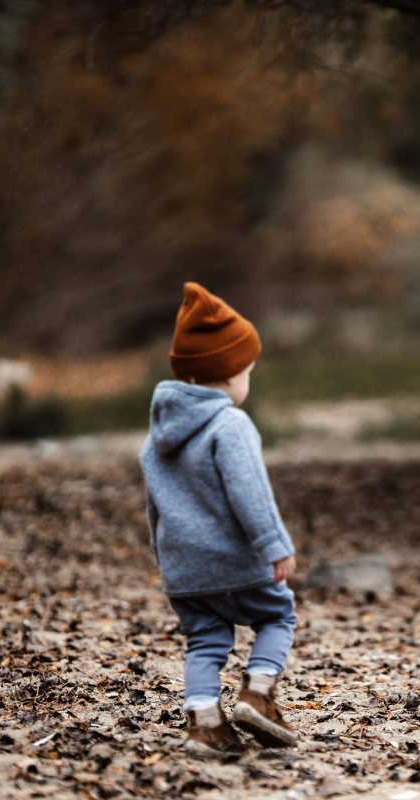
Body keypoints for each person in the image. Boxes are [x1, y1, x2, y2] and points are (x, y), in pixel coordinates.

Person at [139, 282, 300, 757]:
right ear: (230, 374)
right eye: (247, 371)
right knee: (278, 613)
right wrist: (275, 545)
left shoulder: (157, 438)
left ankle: (206, 725)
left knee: (204, 641)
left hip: (184, 569)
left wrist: (166, 561)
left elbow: (155, 510)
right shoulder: (229, 425)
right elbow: (251, 493)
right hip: (235, 562)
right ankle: (258, 693)